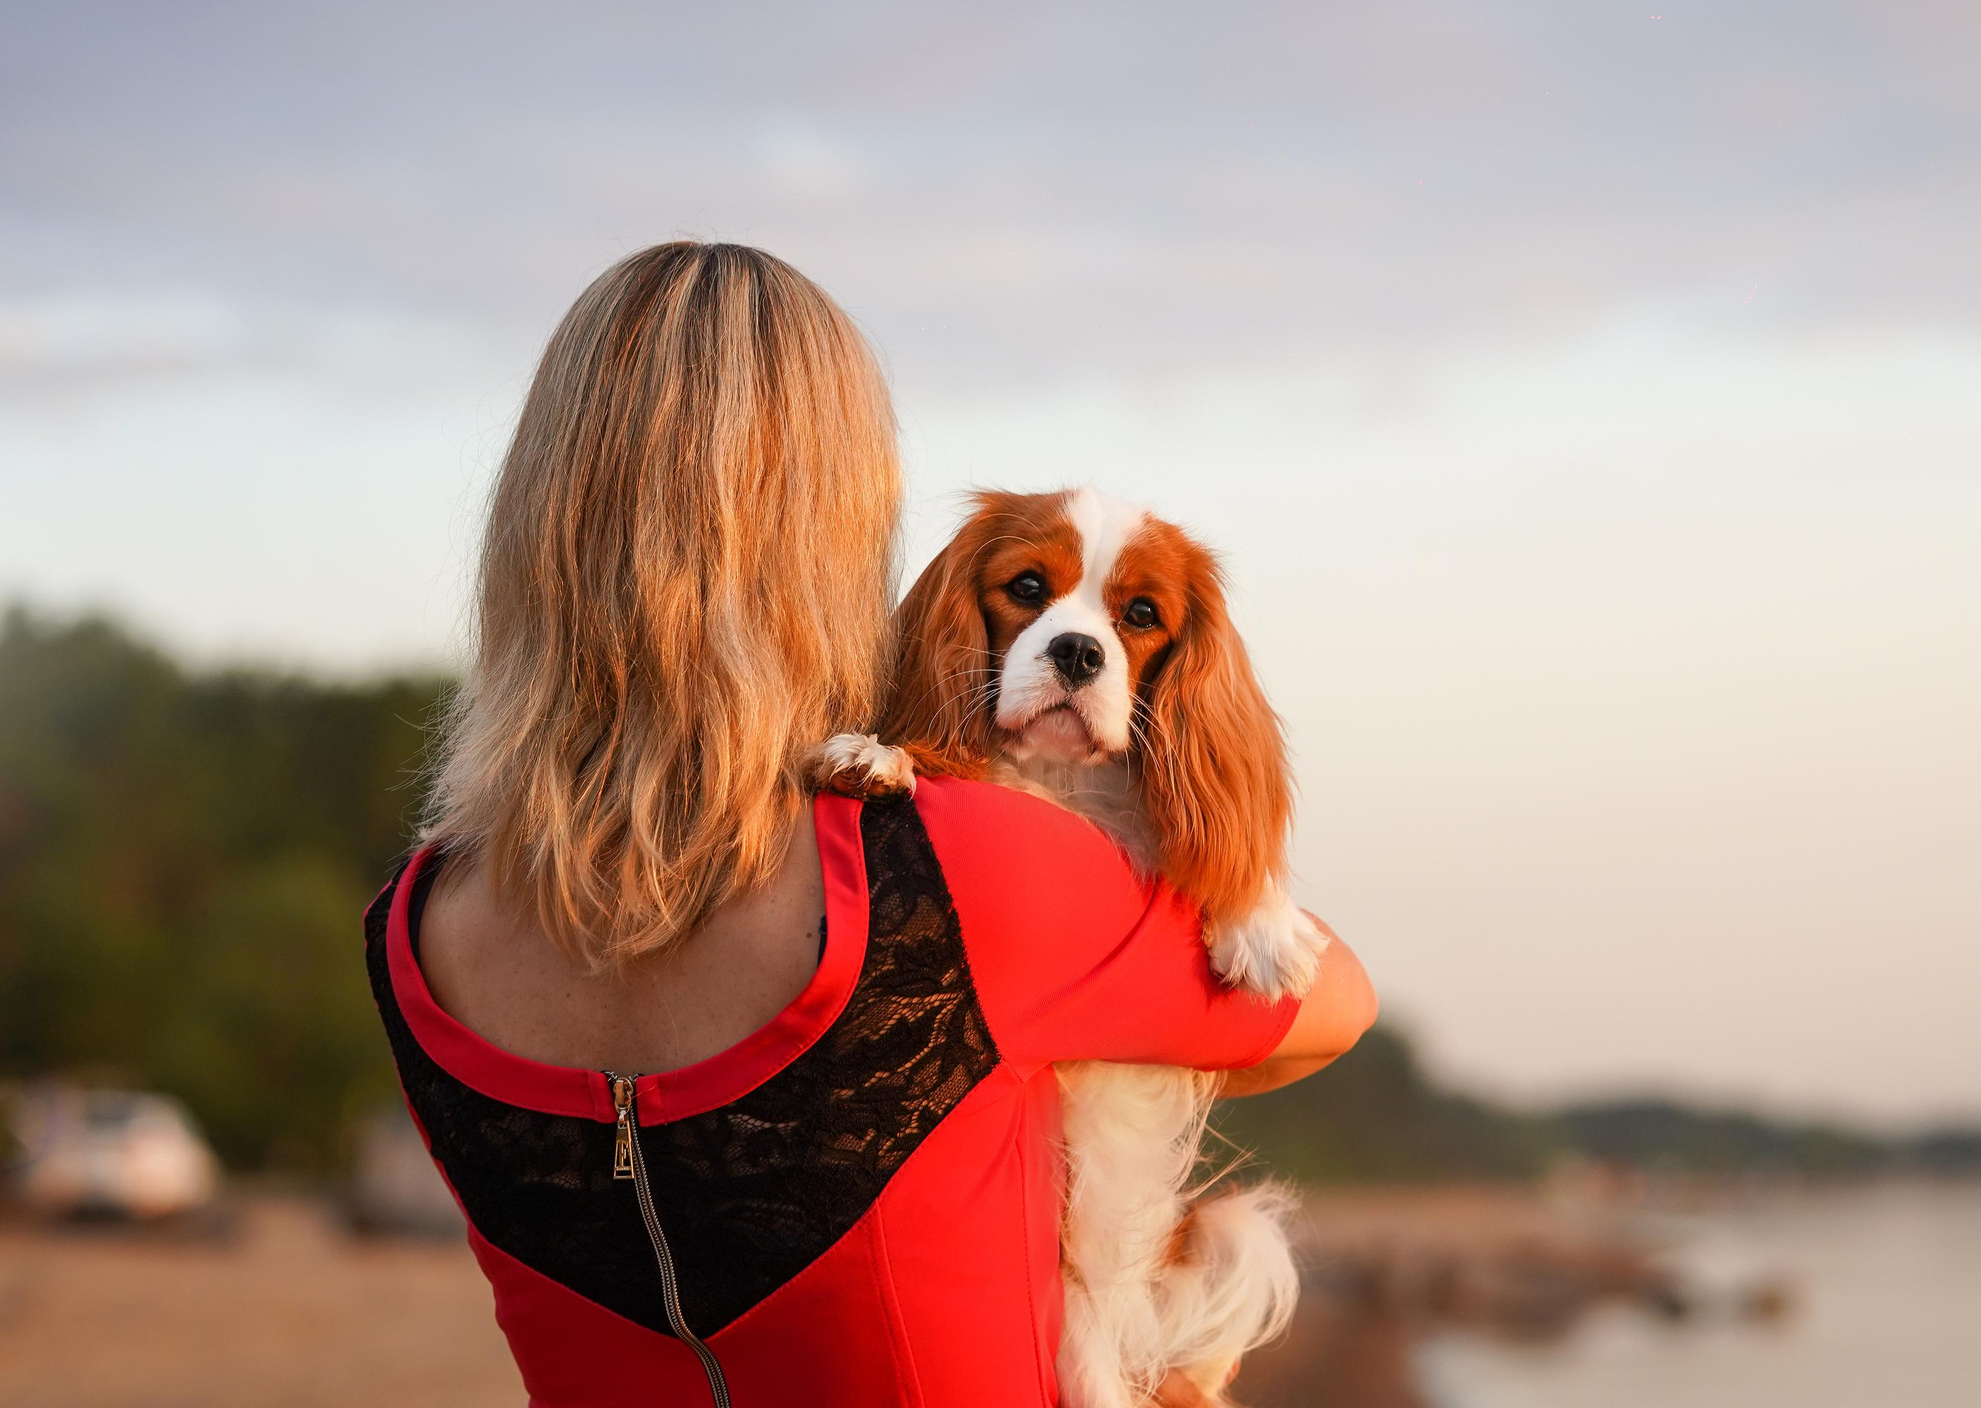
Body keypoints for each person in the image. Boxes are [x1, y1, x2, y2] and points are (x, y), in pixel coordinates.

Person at [365, 242, 1375, 1408]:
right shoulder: (955, 864)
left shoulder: (412, 928)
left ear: (532, 522)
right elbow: (1326, 1006)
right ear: (839, 534)